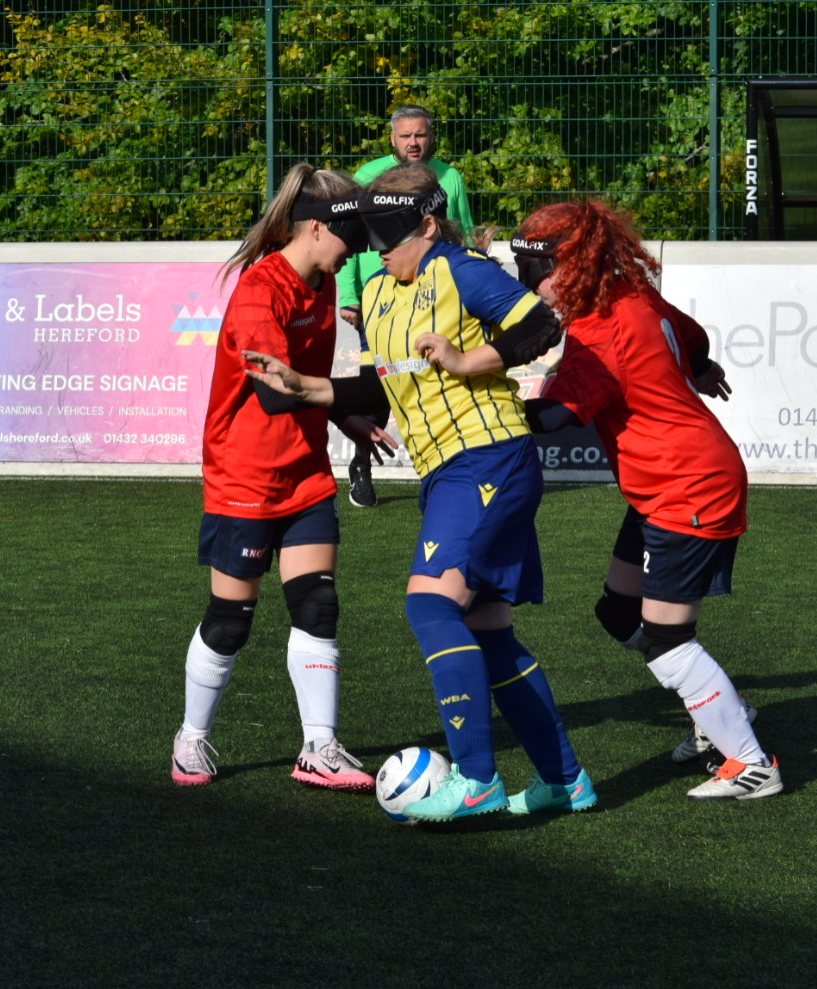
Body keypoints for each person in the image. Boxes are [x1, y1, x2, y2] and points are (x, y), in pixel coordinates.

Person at [246, 163, 596, 821]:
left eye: (390, 233)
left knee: (430, 607)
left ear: (428, 224)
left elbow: (539, 327)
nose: (379, 247)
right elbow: (384, 386)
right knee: (489, 628)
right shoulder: (377, 294)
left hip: (489, 457)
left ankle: (477, 779)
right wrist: (308, 387)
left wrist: (469, 361)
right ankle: (565, 779)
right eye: (371, 235)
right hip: (449, 472)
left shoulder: (460, 269)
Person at [504, 201, 782, 800]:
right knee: (620, 614)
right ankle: (717, 714)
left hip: (689, 484)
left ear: (572, 264)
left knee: (664, 639)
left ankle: (751, 762)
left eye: (535, 268)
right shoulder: (632, 295)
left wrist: (484, 400)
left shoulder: (601, 329)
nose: (530, 283)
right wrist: (698, 367)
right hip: (668, 483)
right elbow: (694, 334)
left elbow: (554, 418)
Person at [171, 163, 375, 792]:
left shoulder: (319, 282)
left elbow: (307, 393)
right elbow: (280, 394)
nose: (358, 253)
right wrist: (366, 392)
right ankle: (191, 740)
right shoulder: (263, 292)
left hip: (305, 471)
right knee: (232, 619)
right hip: (246, 474)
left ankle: (319, 748)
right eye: (352, 240)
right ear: (316, 228)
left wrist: (347, 413)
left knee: (319, 603)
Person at [334, 105, 476, 508]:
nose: (414, 143)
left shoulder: (451, 177)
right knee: (376, 386)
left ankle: (442, 472)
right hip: (376, 298)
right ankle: (362, 465)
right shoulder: (366, 176)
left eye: (421, 135)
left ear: (432, 137)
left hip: (434, 295)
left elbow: (461, 235)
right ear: (392, 139)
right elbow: (348, 239)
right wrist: (349, 295)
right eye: (405, 136)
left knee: (437, 381)